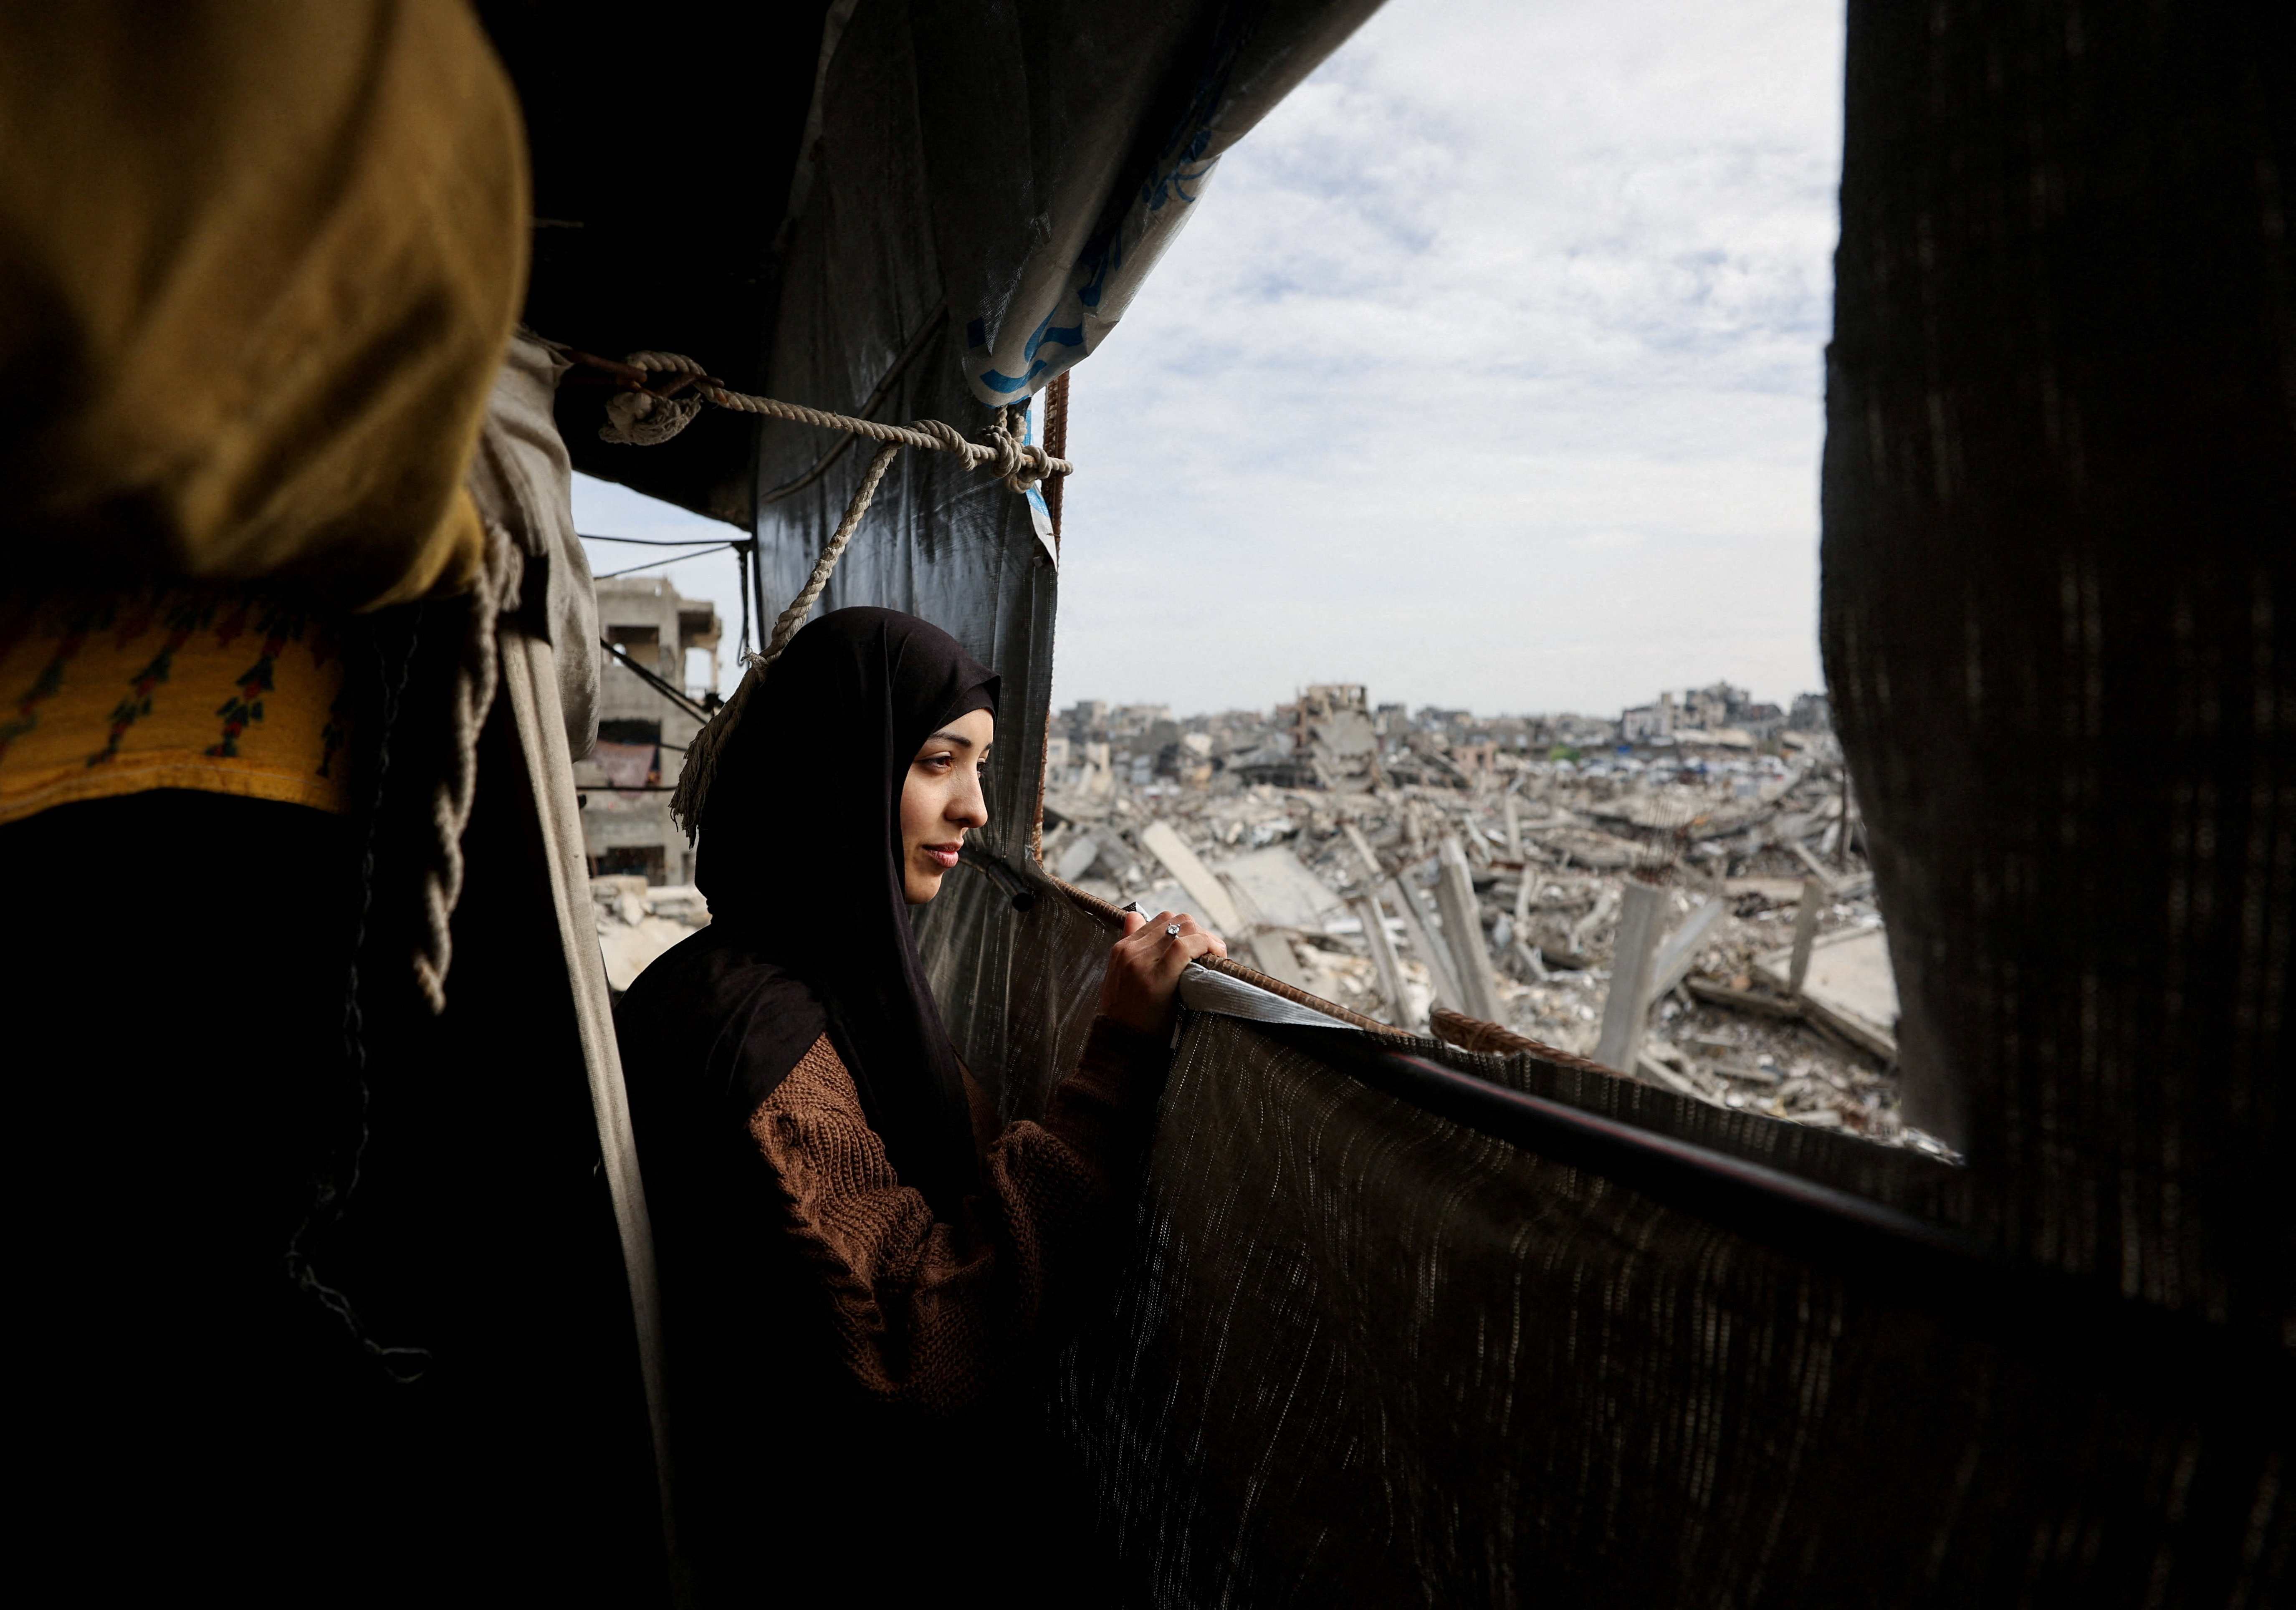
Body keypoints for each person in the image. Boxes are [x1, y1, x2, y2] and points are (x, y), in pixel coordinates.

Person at [615, 606, 1224, 1600]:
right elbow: (912, 1347)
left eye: (979, 767)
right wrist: (1114, 1063)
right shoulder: (758, 1034)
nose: (976, 809)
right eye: (938, 762)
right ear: (840, 768)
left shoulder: (782, 982)